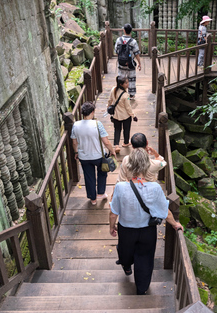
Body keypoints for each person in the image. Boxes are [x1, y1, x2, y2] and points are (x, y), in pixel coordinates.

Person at [109, 148, 183, 295]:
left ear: (129, 166)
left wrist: (112, 227)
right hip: (147, 231)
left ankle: (126, 265)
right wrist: (175, 224)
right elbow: (165, 212)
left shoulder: (120, 187)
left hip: (126, 230)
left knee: (125, 251)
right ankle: (141, 288)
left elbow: (113, 212)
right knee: (145, 258)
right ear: (146, 166)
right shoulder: (155, 188)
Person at [71, 102, 116, 205]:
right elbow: (106, 141)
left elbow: (74, 142)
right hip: (98, 155)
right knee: (102, 172)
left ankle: (93, 199)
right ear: (92, 112)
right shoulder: (97, 124)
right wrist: (112, 151)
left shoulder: (76, 125)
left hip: (84, 156)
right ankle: (101, 192)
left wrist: (76, 152)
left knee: (89, 177)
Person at [108, 76, 137, 154]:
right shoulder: (125, 95)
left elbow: (110, 100)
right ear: (121, 84)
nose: (128, 84)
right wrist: (133, 115)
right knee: (126, 129)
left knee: (117, 130)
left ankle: (117, 146)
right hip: (125, 116)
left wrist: (108, 108)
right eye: (126, 83)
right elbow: (128, 108)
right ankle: (126, 142)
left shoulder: (113, 89)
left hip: (116, 115)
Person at [115, 23, 141, 100]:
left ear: (124, 30)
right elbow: (136, 54)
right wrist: (139, 63)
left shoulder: (119, 40)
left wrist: (120, 59)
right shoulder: (133, 41)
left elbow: (116, 52)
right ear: (131, 31)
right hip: (130, 64)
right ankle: (131, 95)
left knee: (121, 78)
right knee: (131, 78)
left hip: (121, 64)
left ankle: (120, 93)